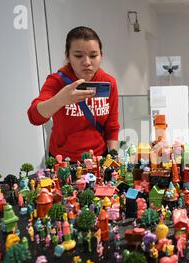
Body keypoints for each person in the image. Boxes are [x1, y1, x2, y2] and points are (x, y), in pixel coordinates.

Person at [28, 26, 120, 162]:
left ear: (101, 55)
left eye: (93, 55)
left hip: (99, 158)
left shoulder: (108, 82)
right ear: (67, 56)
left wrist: (112, 157)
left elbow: (112, 126)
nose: (87, 62)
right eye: (78, 56)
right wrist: (60, 100)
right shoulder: (57, 81)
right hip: (63, 159)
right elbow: (34, 117)